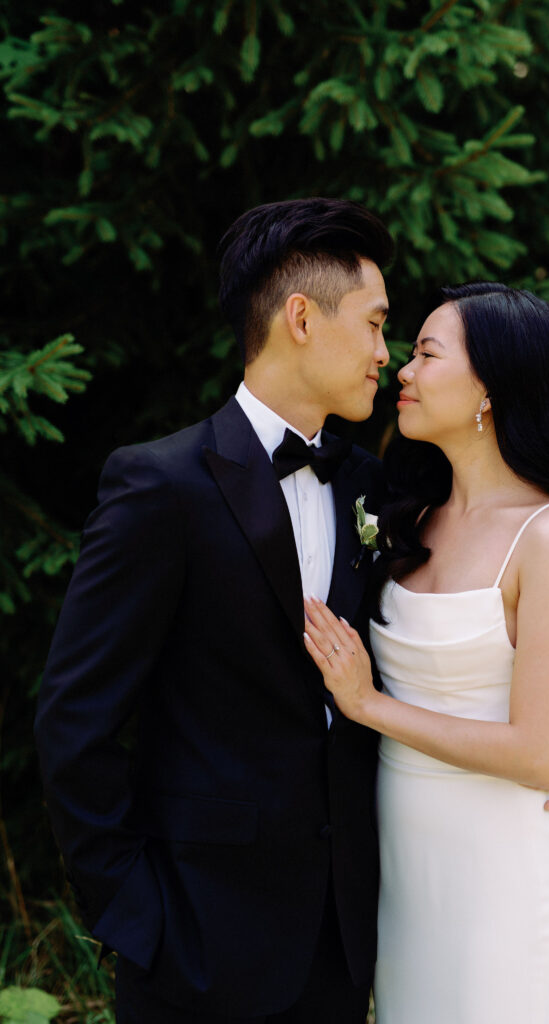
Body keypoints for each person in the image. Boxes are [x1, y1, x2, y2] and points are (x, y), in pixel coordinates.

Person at [34, 197, 396, 1024]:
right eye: (374, 325)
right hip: (193, 942)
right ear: (301, 318)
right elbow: (73, 719)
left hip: (338, 946)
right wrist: (134, 915)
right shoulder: (161, 485)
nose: (385, 352)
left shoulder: (366, 488)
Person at [303, 283, 549, 1023]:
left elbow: (529, 753)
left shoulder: (548, 535)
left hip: (494, 864)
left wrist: (368, 705)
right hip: (394, 853)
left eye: (425, 352)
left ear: (490, 386)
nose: (402, 370)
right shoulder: (406, 514)